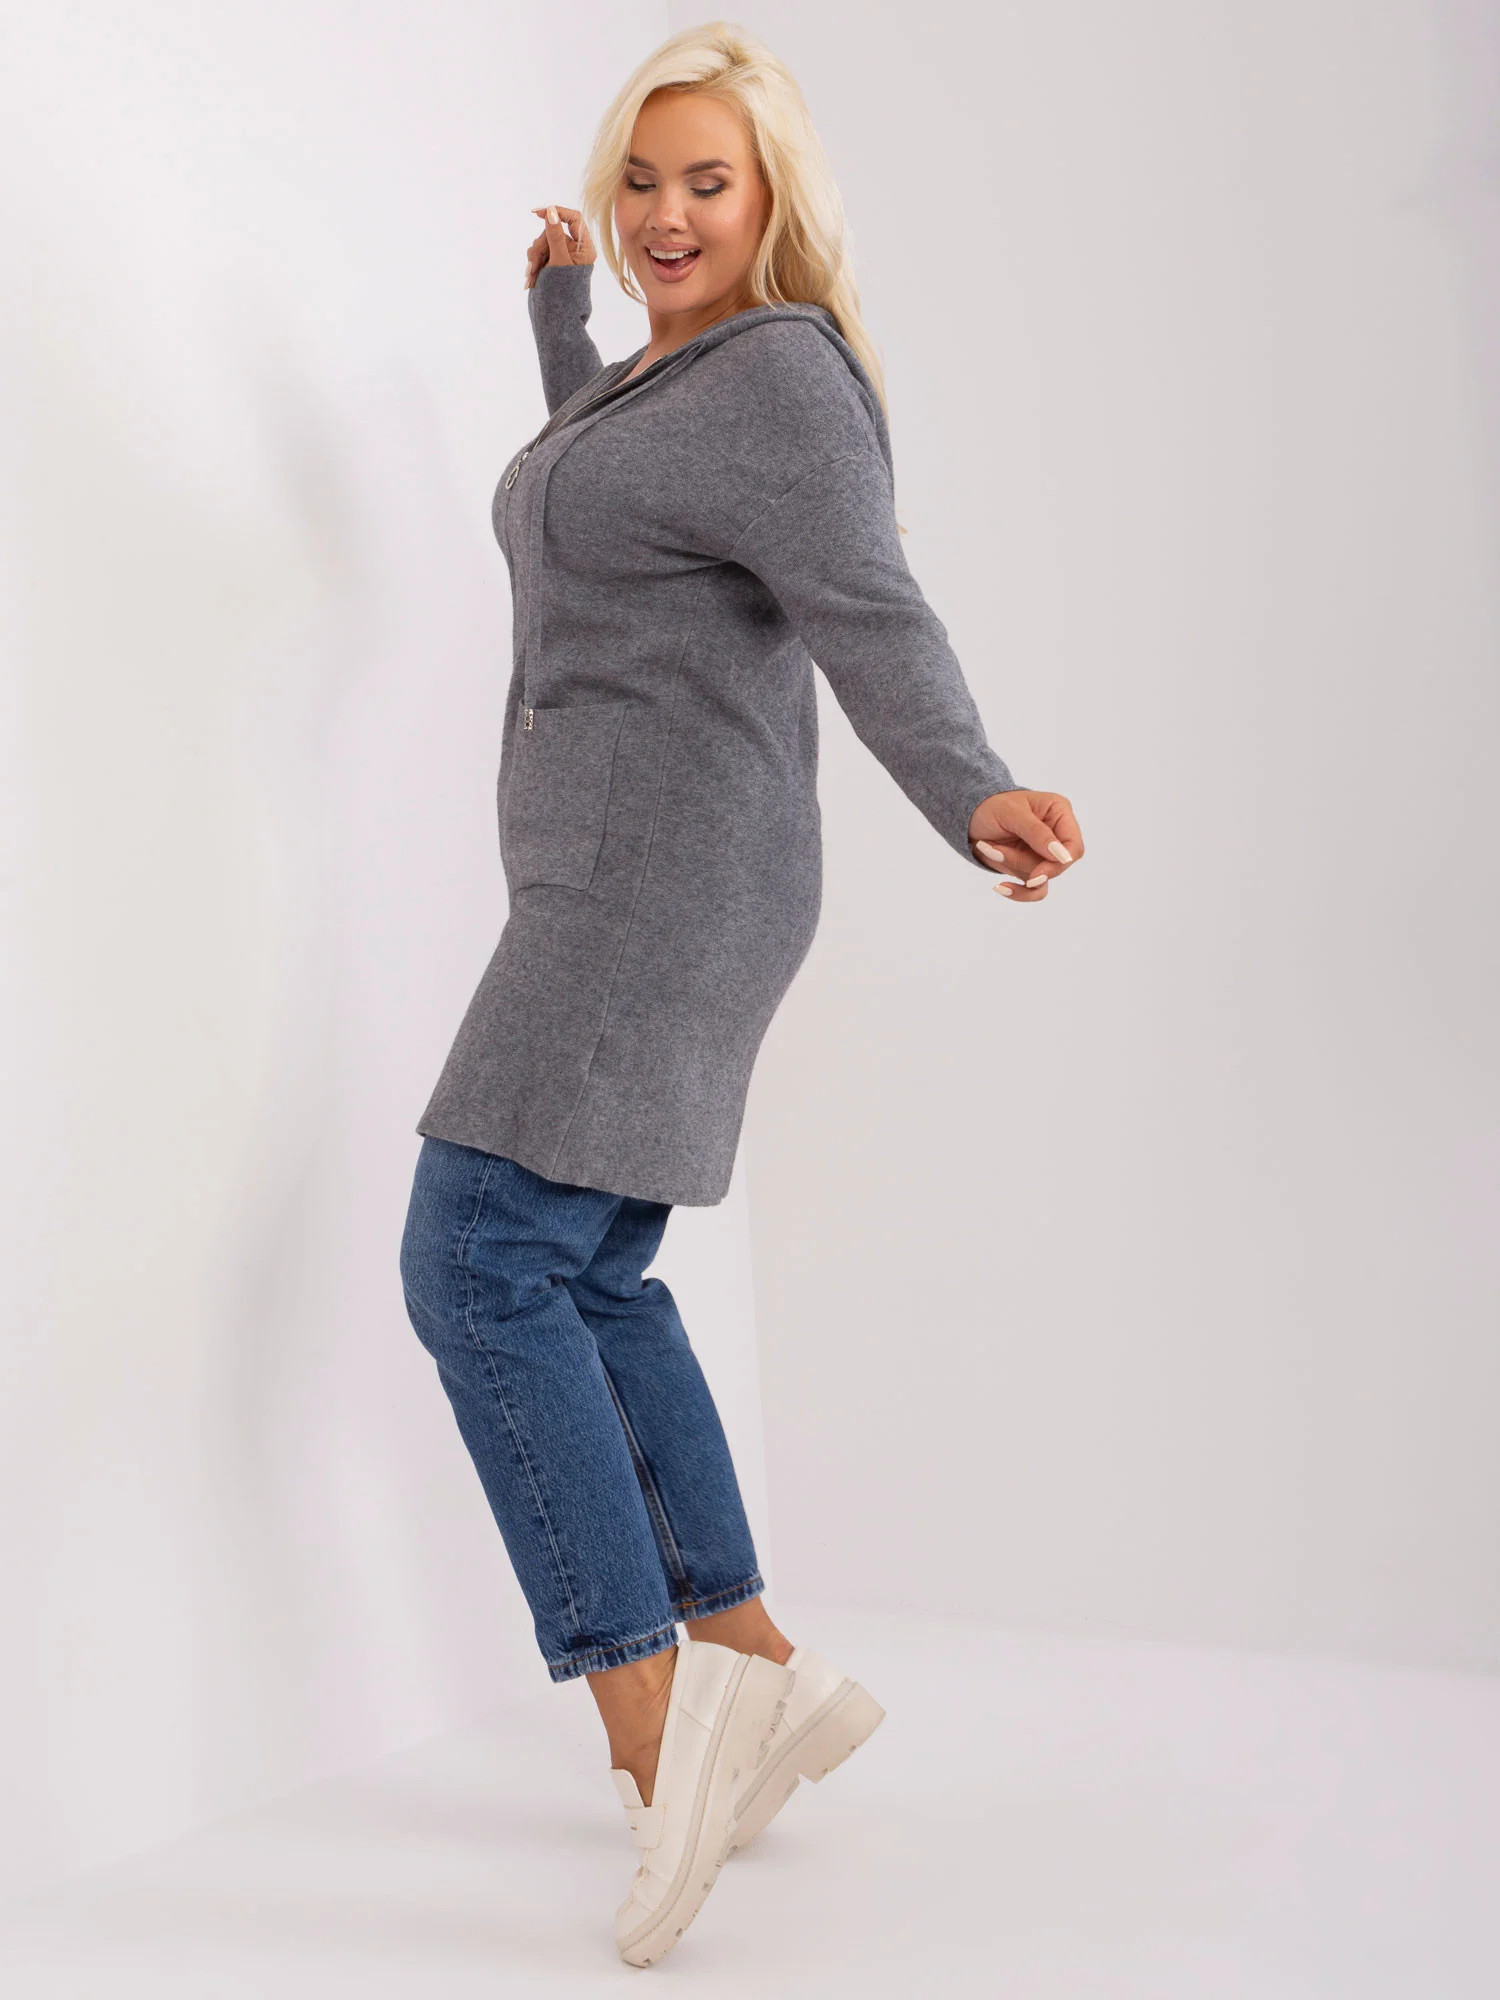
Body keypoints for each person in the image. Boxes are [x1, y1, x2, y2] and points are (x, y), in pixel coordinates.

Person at [398, 21, 1084, 1969]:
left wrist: (972, 787)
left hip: (659, 886)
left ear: (774, 197)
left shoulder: (779, 376)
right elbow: (609, 497)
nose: (667, 212)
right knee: (588, 1270)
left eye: (707, 181)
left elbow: (869, 603)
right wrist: (561, 319)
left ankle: (656, 1726)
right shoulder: (666, 378)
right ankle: (753, 1660)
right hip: (629, 875)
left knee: (476, 1256)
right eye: (643, 179)